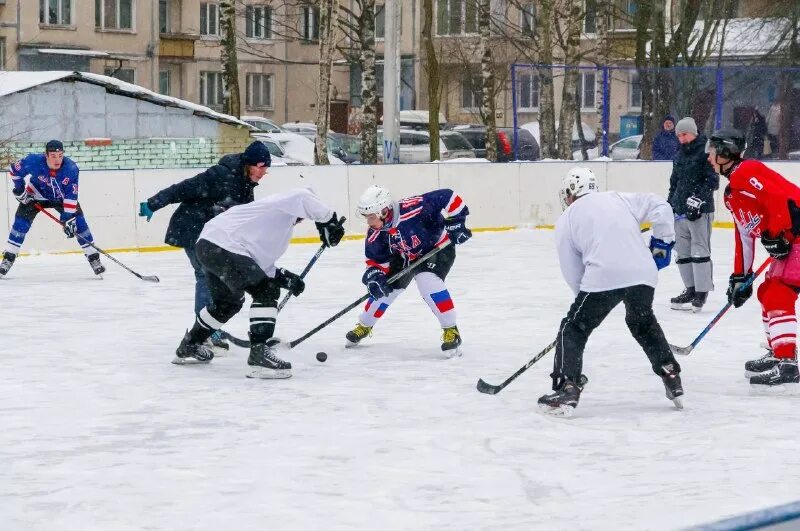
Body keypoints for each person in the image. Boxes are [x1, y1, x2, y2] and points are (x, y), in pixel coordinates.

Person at [537, 167, 683, 416]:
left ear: (571, 191)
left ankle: (567, 387)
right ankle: (670, 372)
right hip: (643, 273)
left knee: (573, 328)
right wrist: (662, 244)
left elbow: (572, 270)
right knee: (642, 322)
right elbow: (661, 206)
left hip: (603, 276)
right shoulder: (619, 198)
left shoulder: (567, 218)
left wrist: (583, 303)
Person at [172, 188, 345, 379]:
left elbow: (256, 268)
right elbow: (304, 195)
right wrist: (329, 221)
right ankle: (259, 354)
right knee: (266, 291)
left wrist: (284, 278)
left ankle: (190, 344)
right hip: (223, 247)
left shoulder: (275, 227)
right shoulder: (279, 205)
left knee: (227, 304)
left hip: (208, 247)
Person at [138, 140, 270, 351]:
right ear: (249, 163)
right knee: (205, 275)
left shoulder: (246, 183)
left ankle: (208, 327)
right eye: (261, 167)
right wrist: (154, 203)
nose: (263, 172)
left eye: (266, 168)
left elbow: (246, 216)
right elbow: (183, 188)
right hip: (192, 227)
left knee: (217, 278)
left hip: (212, 235)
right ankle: (203, 334)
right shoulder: (220, 174)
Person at [706, 128, 800, 392]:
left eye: (712, 151)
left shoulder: (747, 171)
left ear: (726, 152)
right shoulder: (732, 194)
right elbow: (744, 235)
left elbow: (778, 198)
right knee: (766, 291)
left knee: (778, 293)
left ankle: (787, 364)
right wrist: (741, 275)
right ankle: (778, 351)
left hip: (796, 238)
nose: (709, 157)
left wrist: (777, 234)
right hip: (791, 242)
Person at [344, 185, 471, 357]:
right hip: (405, 255)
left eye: (371, 217)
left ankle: (451, 330)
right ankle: (364, 324)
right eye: (367, 217)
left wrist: (458, 222)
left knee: (427, 281)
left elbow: (448, 196)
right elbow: (375, 261)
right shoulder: (376, 232)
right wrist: (375, 276)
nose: (369, 222)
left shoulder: (415, 208)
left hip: (438, 248)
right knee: (385, 289)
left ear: (384, 211)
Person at [0, 140, 105, 277]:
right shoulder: (33, 161)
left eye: (60, 155)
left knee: (79, 223)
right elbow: (14, 170)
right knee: (20, 224)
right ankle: (8, 258)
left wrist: (68, 218)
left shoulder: (71, 168)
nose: (57, 160)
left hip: (61, 198)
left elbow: (71, 195)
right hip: (35, 195)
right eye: (53, 156)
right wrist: (20, 190)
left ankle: (93, 257)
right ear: (46, 155)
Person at [666, 117, 719, 312]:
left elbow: (712, 181)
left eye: (685, 134)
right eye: (679, 135)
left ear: (694, 133)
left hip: (700, 212)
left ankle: (701, 291)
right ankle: (690, 289)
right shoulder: (679, 155)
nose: (682, 138)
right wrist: (670, 203)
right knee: (682, 252)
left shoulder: (706, 152)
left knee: (699, 250)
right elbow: (674, 182)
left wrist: (698, 199)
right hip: (680, 210)